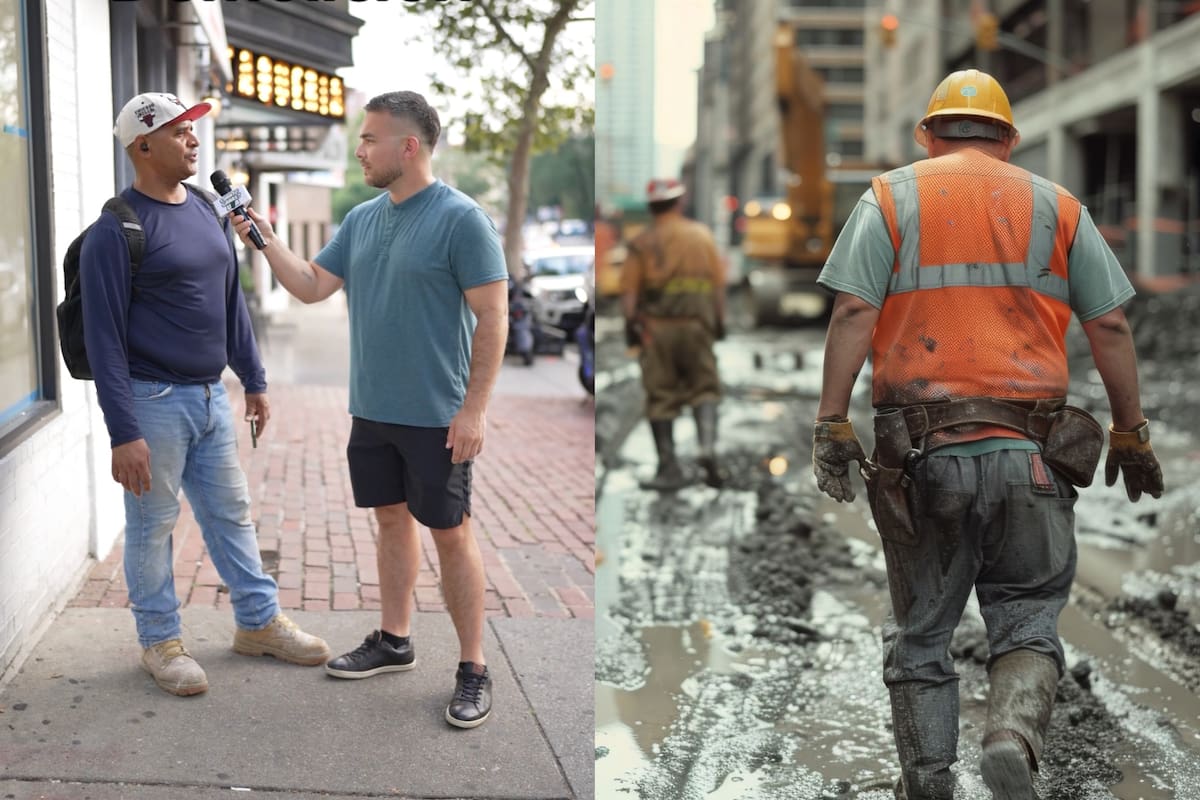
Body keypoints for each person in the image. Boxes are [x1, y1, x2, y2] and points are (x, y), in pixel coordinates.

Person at [811, 69, 1164, 800]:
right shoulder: (1058, 206)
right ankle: (1009, 735)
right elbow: (1110, 324)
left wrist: (832, 420)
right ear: (1009, 138)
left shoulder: (890, 199)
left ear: (928, 134)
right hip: (1032, 459)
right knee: (1028, 623)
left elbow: (852, 312)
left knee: (920, 637)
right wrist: (1130, 432)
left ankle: (929, 783)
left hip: (923, 457)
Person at [229, 91, 509, 729]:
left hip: (437, 415)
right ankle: (394, 639)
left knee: (451, 533)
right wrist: (263, 239)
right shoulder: (361, 219)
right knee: (389, 521)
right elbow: (310, 286)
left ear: (407, 147)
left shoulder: (463, 220)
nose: (359, 150)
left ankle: (473, 665)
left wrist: (474, 411)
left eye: (369, 139)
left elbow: (493, 316)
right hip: (374, 410)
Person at [81, 92, 330, 697]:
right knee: (153, 526)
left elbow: (230, 300)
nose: (193, 140)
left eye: (193, 129)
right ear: (143, 145)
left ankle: (258, 623)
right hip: (151, 401)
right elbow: (103, 340)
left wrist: (254, 378)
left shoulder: (205, 209)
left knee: (230, 514)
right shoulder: (115, 231)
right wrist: (123, 432)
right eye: (179, 131)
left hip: (211, 398)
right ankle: (160, 642)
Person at [620, 178, 728, 491]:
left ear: (651, 207)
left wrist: (631, 328)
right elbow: (718, 286)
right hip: (697, 326)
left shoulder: (641, 243)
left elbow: (629, 294)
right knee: (704, 388)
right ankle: (706, 448)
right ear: (679, 202)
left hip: (656, 331)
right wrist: (719, 322)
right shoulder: (702, 236)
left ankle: (669, 469)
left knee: (661, 396)